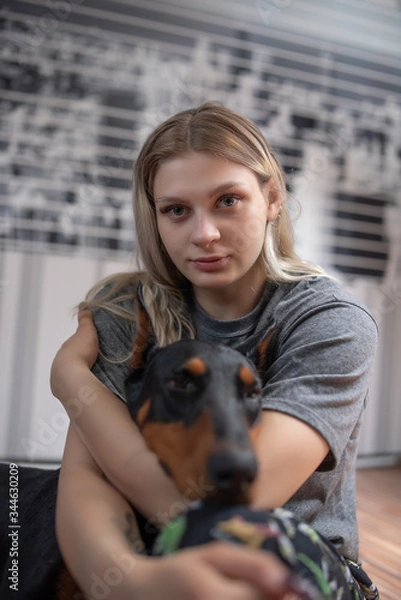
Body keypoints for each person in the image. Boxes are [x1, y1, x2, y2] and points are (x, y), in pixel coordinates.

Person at [51, 102, 379, 600]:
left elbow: (236, 498)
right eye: (176, 210)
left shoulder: (331, 322)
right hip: (147, 555)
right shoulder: (123, 309)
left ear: (271, 199)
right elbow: (83, 482)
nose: (203, 235)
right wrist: (133, 582)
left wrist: (70, 379)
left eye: (227, 200)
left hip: (292, 556)